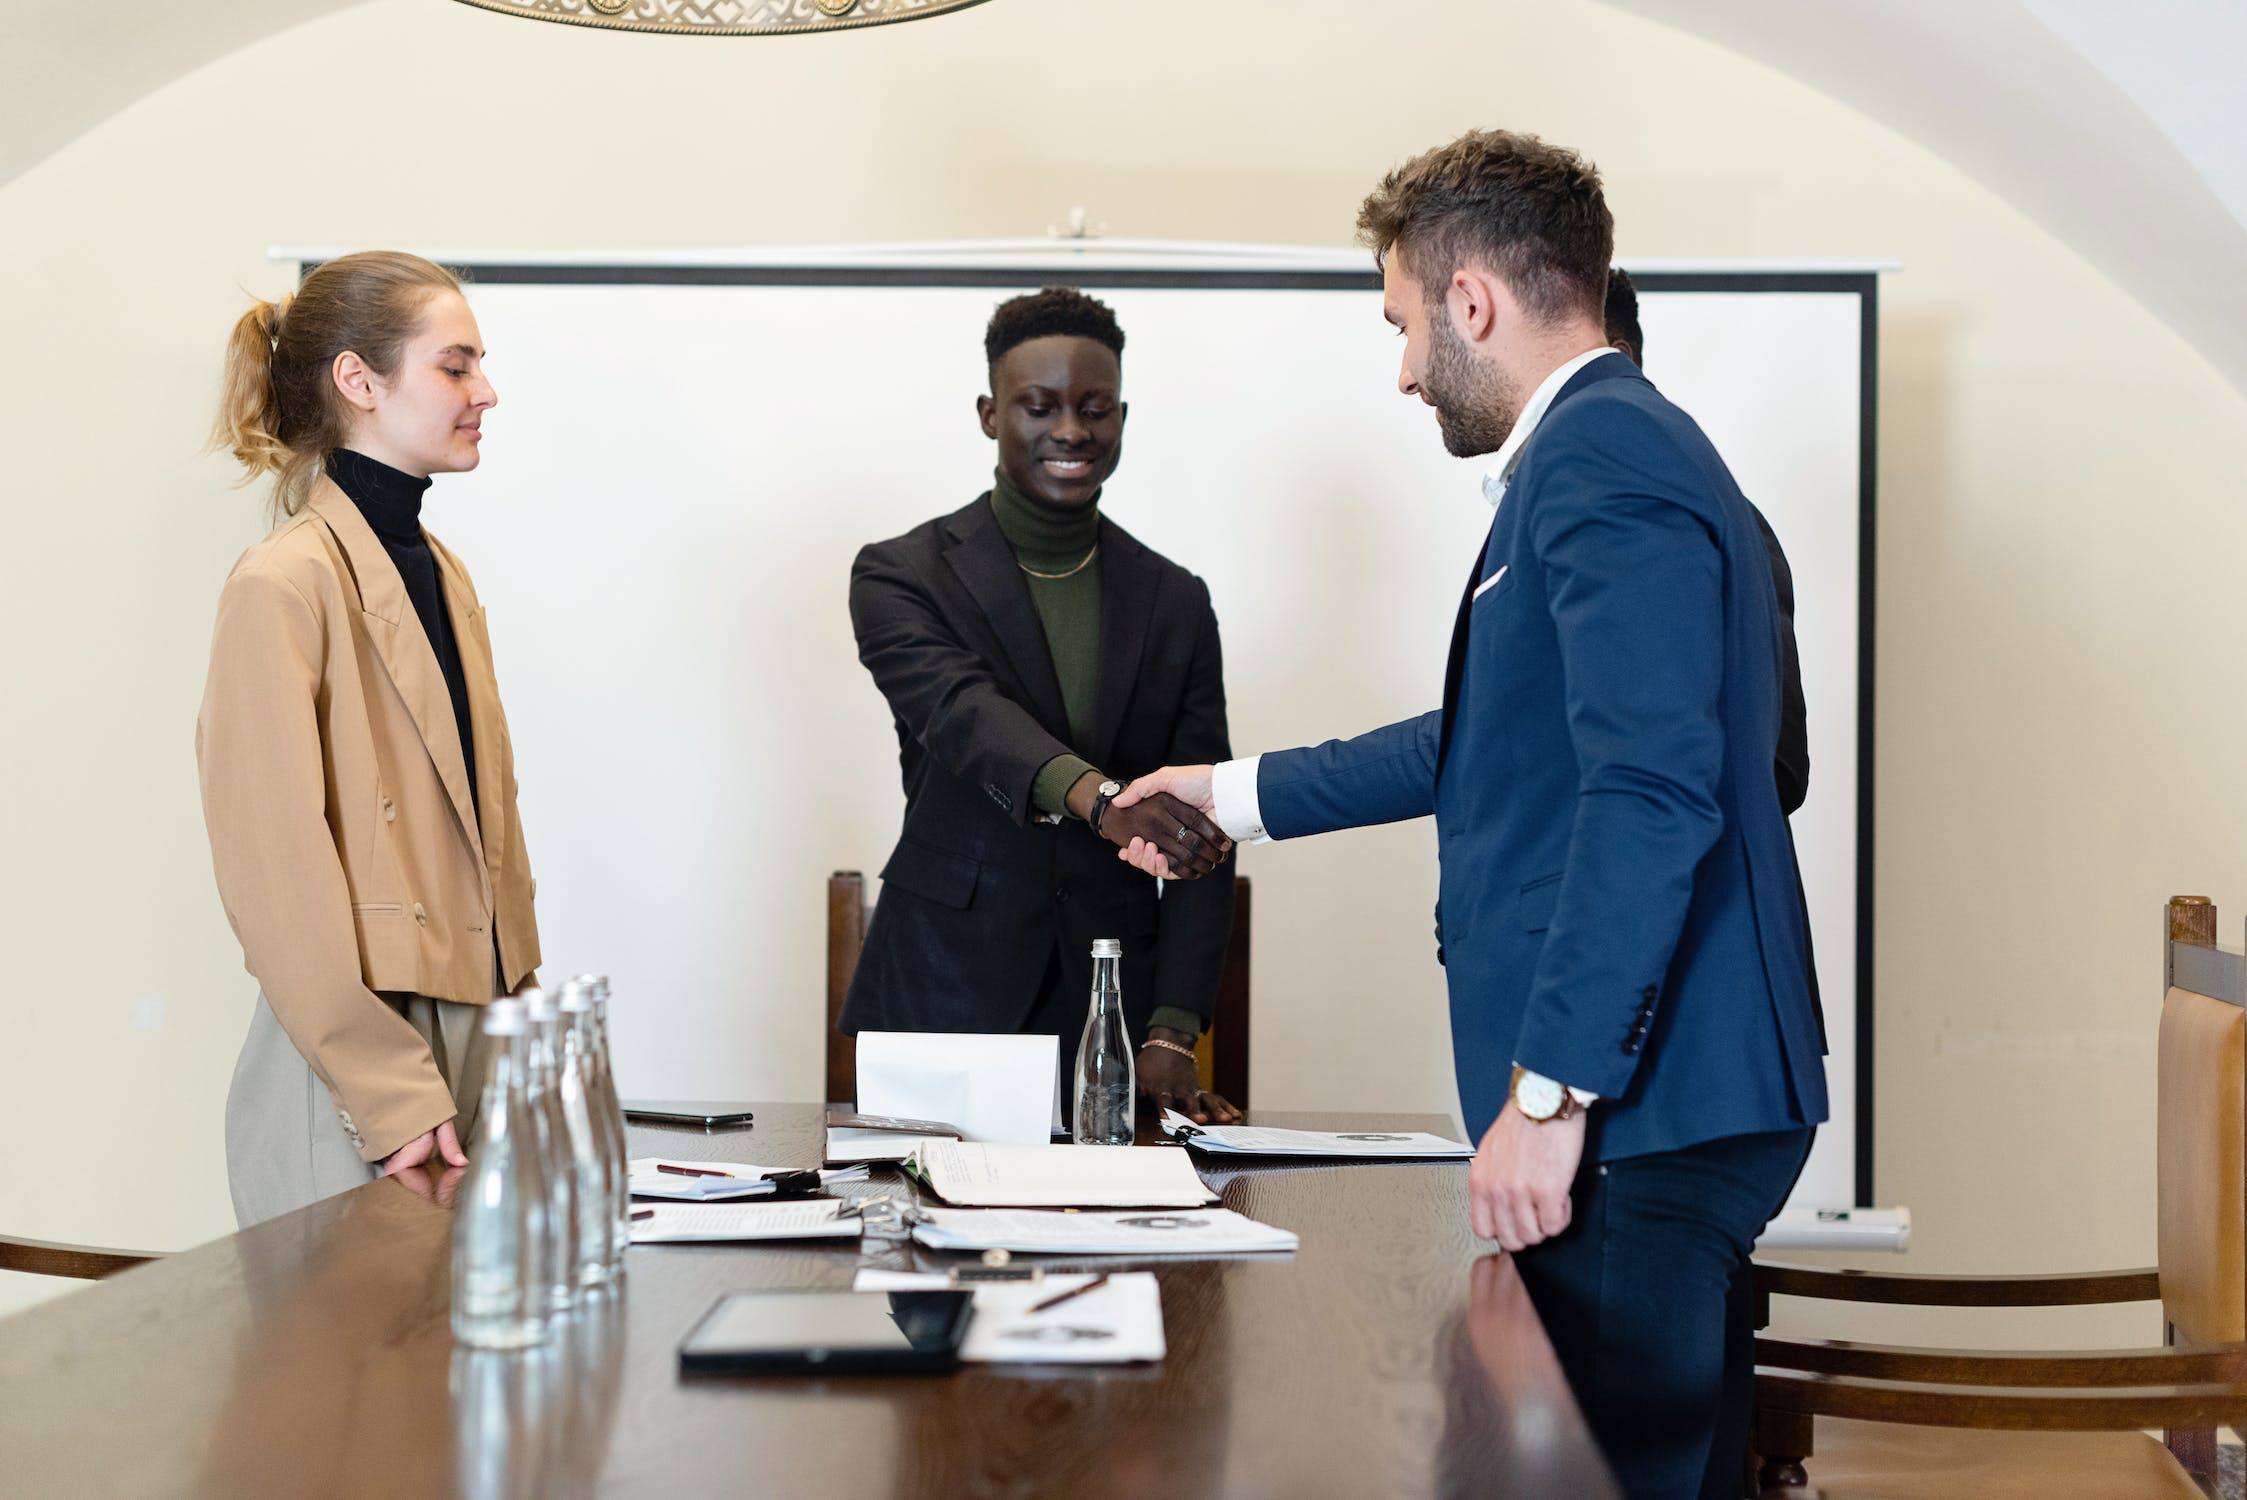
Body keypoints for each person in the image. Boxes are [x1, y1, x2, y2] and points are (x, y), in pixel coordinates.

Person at [1115, 132, 1826, 1500]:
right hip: (1657, 1103)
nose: (1397, 369)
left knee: (1568, 1479)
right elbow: (1483, 742)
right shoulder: (1606, 456)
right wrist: (1225, 793)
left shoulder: (1601, 456)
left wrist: (1549, 1094)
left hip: (1646, 1107)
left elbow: (1648, 795)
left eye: (1398, 324)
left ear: (1472, 303)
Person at [201, 251, 539, 1227]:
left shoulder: (442, 573)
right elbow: (275, 877)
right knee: (349, 1381)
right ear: (358, 380)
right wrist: (388, 1089)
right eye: (456, 365)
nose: (486, 392)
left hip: (472, 1055)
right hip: (355, 1069)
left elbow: (485, 842)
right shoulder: (282, 584)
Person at [844, 287, 1239, 1124]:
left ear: (1122, 417)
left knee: (1123, 1247)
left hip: (1112, 1000)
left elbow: (1207, 824)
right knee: (925, 1246)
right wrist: (1102, 804)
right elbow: (963, 714)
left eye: (1094, 409)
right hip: (943, 985)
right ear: (990, 414)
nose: (1070, 431)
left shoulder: (1174, 599)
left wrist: (1173, 1029)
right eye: (1039, 406)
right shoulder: (901, 575)